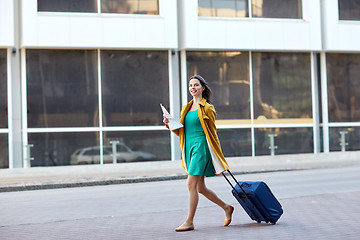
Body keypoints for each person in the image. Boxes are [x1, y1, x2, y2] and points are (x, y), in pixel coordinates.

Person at [163, 75, 234, 232]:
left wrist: (216, 153)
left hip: (201, 147)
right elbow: (182, 132)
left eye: (196, 85)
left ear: (202, 88)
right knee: (200, 188)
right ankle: (226, 207)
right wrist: (170, 124)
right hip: (189, 147)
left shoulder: (207, 108)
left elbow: (212, 132)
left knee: (190, 184)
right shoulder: (186, 108)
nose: (193, 87)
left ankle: (189, 221)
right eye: (190, 85)